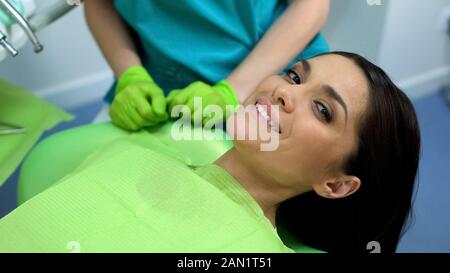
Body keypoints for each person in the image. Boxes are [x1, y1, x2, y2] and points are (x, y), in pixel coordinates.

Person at [0, 52, 420, 253]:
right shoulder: (131, 152)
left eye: (323, 109)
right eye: (294, 75)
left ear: (336, 184)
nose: (284, 92)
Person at [84, 0, 330, 130]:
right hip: (156, 83)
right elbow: (97, 2)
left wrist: (231, 92)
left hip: (266, 80)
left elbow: (311, 3)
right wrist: (130, 76)